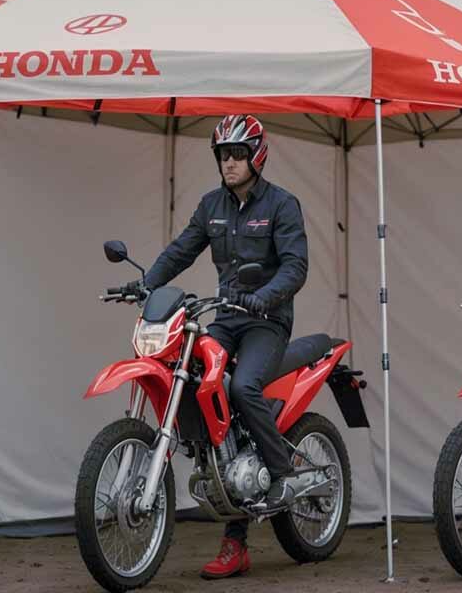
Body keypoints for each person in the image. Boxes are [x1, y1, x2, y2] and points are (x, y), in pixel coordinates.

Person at [126, 113, 308, 580]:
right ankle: (229, 490)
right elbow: (181, 250)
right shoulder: (211, 206)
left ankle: (283, 475)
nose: (229, 162)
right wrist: (144, 283)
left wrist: (266, 296)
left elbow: (295, 266)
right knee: (199, 386)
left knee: (244, 388)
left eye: (237, 154)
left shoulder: (283, 205)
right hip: (225, 318)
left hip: (266, 322)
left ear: (255, 156)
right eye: (223, 155)